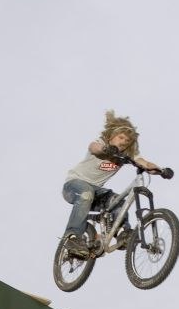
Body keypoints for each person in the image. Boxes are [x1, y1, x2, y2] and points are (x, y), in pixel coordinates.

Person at [61, 110, 161, 257]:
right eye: (120, 137)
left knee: (118, 200)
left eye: (127, 141)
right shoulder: (102, 143)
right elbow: (93, 147)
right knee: (87, 192)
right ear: (111, 136)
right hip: (74, 185)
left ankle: (122, 233)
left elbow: (143, 162)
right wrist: (105, 149)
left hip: (97, 191)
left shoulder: (125, 155)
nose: (123, 142)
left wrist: (158, 169)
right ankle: (73, 238)